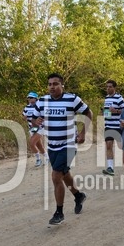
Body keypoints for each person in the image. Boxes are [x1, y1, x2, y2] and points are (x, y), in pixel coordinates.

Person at [32, 73, 92, 226]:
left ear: (62, 85)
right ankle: (78, 196)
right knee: (64, 174)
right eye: (50, 84)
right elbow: (33, 120)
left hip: (69, 144)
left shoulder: (72, 99)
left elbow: (88, 113)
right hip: (52, 145)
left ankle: (59, 212)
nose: (52, 87)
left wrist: (83, 133)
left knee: (56, 176)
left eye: (55, 84)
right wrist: (36, 121)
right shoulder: (42, 101)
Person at [102, 80, 124, 176]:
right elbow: (107, 111)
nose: (108, 88)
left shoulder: (119, 98)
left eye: (110, 87)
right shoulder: (106, 98)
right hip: (108, 125)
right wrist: (104, 112)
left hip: (118, 126)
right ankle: (110, 167)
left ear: (114, 88)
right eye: (107, 87)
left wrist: (116, 111)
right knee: (109, 146)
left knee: (122, 146)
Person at [22, 92, 47, 167]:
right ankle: (47, 157)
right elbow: (24, 117)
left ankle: (38, 159)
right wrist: (24, 117)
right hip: (32, 128)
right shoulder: (27, 107)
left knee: (32, 143)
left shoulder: (39, 106)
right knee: (39, 145)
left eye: (31, 98)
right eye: (29, 98)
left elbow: (44, 116)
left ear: (36, 98)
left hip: (40, 127)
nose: (29, 99)